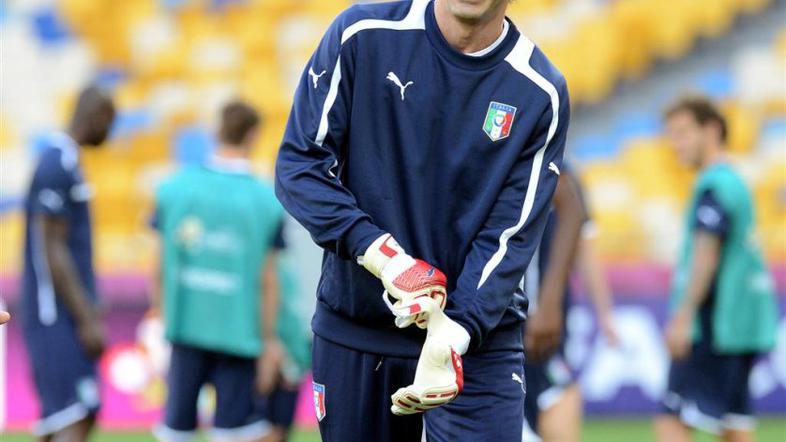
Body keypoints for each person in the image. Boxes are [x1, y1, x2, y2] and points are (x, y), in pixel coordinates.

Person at [274, 0, 569, 440]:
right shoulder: (362, 32)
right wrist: (386, 259)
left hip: (476, 339)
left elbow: (509, 237)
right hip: (359, 328)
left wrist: (455, 332)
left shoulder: (539, 90)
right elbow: (301, 165)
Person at [151, 101, 285, 442]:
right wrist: (269, 339)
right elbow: (268, 280)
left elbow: (158, 264)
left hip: (185, 326)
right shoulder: (266, 200)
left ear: (216, 131)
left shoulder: (174, 188)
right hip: (238, 332)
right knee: (233, 432)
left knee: (176, 430)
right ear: (253, 135)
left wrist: (160, 316)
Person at [654, 97, 777, 442]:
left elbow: (706, 255)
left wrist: (682, 318)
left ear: (711, 130)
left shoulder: (715, 186)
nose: (674, 143)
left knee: (672, 421)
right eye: (670, 135)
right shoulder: (734, 181)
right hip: (741, 324)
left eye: (682, 133)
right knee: (734, 426)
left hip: (713, 324)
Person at [20, 86, 115, 442]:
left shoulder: (67, 162)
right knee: (73, 416)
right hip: (53, 314)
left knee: (67, 416)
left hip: (62, 313)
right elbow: (52, 248)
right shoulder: (56, 163)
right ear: (97, 116)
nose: (111, 133)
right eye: (110, 123)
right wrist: (87, 317)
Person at [522, 166, 618, 442]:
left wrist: (605, 314)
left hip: (546, 329)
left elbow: (585, 248)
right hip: (504, 328)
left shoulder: (563, 175)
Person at [254, 247, 312, 442]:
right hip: (272, 355)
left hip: (293, 357)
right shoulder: (269, 265)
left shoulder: (288, 265)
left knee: (279, 428)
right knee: (262, 427)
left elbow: (295, 318)